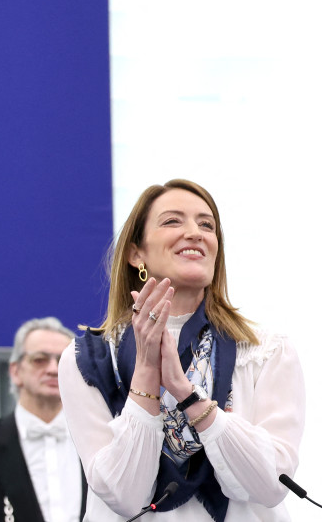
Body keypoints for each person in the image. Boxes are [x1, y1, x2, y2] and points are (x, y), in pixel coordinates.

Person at [60, 179, 305, 520]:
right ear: (136, 253)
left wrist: (187, 394)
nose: (195, 232)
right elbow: (124, 495)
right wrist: (146, 368)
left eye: (207, 225)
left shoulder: (265, 351)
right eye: (173, 221)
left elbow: (271, 484)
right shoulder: (91, 358)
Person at [0, 317, 86, 522]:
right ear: (15, 371)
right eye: (40, 359)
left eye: (62, 360)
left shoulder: (100, 439)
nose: (52, 369)